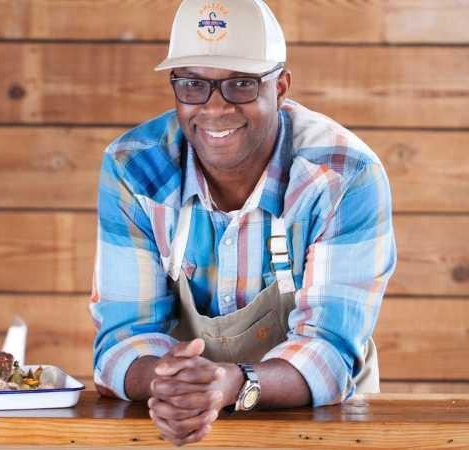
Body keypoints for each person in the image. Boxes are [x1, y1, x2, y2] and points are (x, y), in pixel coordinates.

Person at [89, 0, 397, 446]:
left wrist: (231, 384)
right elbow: (123, 337)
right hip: (180, 426)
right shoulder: (134, 168)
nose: (215, 108)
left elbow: (328, 351)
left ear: (281, 87)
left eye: (241, 85)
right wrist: (170, 384)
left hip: (322, 428)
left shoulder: (342, 175)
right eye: (193, 85)